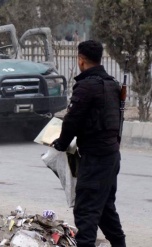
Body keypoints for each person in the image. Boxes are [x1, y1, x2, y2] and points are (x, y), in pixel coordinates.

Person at [51, 40, 126, 247]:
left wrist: (61, 143)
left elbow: (72, 120)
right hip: (111, 156)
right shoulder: (112, 84)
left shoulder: (86, 87)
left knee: (86, 210)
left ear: (81, 60)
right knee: (104, 208)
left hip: (95, 158)